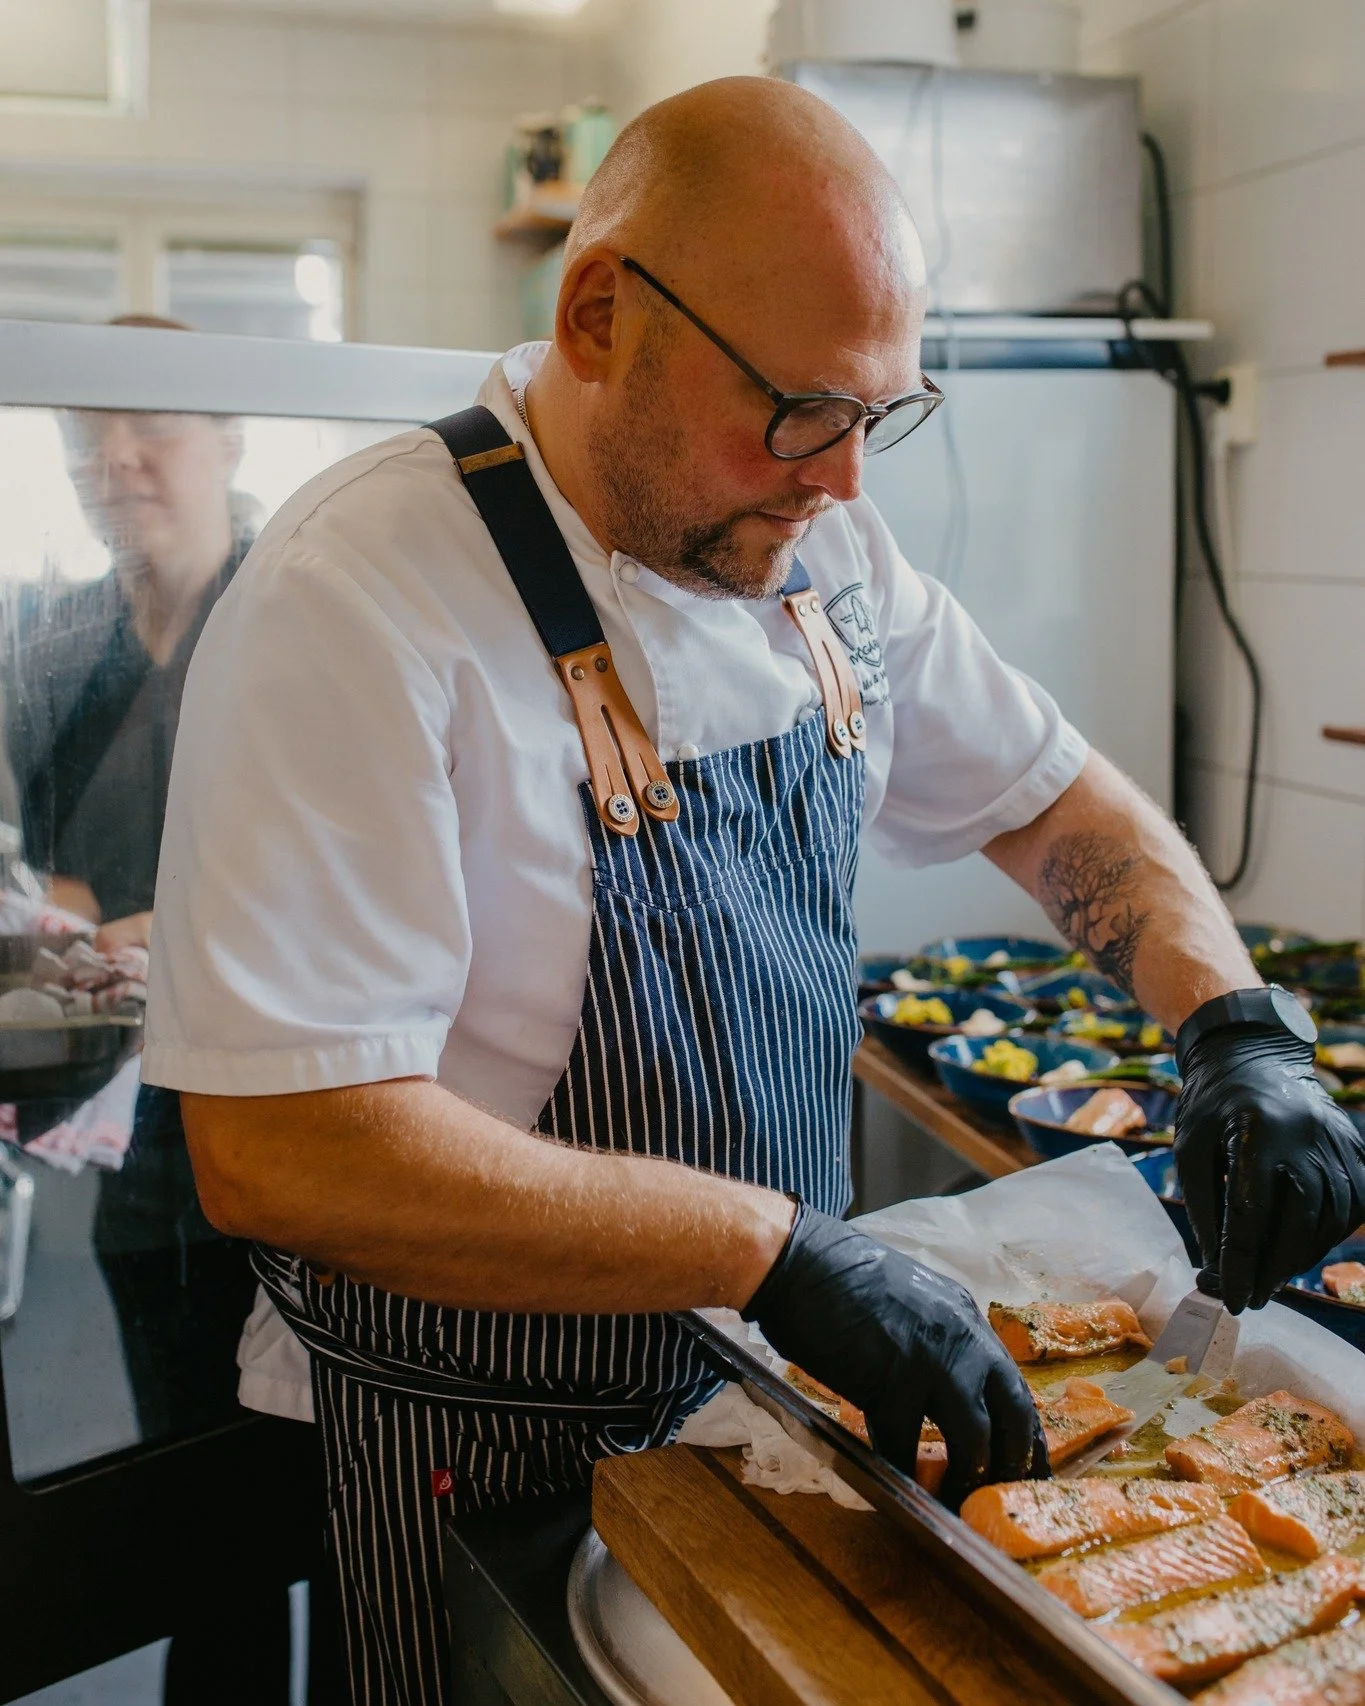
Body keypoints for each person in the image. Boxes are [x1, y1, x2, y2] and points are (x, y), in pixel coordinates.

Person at [141, 79, 1365, 1706]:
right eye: (800, 411)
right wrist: (778, 1251)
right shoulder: (354, 596)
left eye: (882, 414)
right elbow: (285, 1146)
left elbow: (1065, 802)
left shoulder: (822, 558)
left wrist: (1235, 1024)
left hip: (781, 1404)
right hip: (481, 1444)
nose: (846, 481)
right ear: (599, 317)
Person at [4, 317, 339, 1705]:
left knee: (323, 1493)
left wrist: (148, 930)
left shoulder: (302, 619)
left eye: (154, 430)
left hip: (300, 1122)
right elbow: (55, 860)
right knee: (201, 1515)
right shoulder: (67, 640)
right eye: (90, 434)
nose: (117, 461)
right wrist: (50, 924)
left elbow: (338, 871)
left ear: (235, 435)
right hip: (137, 1145)